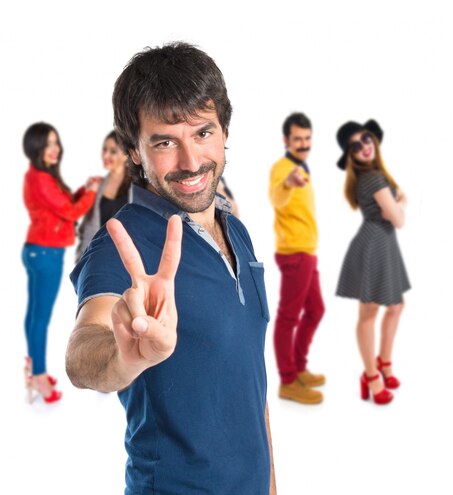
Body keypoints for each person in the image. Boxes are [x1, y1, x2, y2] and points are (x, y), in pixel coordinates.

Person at [66, 42, 275, 494]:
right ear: (135, 152)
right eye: (165, 142)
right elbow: (83, 353)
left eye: (203, 133)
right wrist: (123, 356)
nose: (191, 161)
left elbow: (250, 386)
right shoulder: (123, 244)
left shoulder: (235, 231)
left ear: (224, 131)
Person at [21, 122, 99, 403]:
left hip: (37, 250)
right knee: (40, 318)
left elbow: (62, 203)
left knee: (34, 315)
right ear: (35, 147)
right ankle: (39, 377)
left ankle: (33, 365)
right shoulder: (40, 178)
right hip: (45, 253)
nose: (55, 149)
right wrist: (91, 193)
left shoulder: (40, 176)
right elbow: (70, 211)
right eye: (48, 144)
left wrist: (83, 189)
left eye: (56, 143)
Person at [335, 119, 410, 405]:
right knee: (369, 313)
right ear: (351, 154)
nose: (364, 146)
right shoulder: (374, 179)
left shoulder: (375, 176)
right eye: (355, 145)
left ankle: (384, 363)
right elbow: (399, 220)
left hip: (383, 243)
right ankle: (371, 375)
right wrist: (401, 201)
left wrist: (396, 198)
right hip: (374, 245)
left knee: (395, 305)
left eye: (366, 139)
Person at [268, 112, 325, 405]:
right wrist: (288, 184)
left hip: (307, 251)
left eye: (306, 139)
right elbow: (277, 197)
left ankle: (299, 368)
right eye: (297, 139)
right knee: (289, 315)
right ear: (286, 141)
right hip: (294, 253)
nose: (303, 144)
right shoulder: (283, 168)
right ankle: (288, 380)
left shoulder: (302, 166)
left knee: (316, 309)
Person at [75, 130, 132, 264]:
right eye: (104, 149)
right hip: (95, 258)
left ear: (125, 155)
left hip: (125, 261)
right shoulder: (98, 185)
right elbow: (83, 220)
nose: (106, 155)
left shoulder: (137, 186)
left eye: (113, 151)